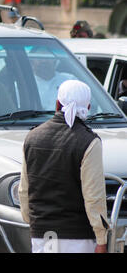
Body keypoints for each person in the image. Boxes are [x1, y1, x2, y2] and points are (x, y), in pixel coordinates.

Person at [19, 80, 108, 253]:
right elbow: (94, 197)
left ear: (58, 104)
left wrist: (33, 222)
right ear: (88, 107)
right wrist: (102, 239)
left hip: (42, 236)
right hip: (78, 238)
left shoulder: (32, 137)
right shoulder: (89, 142)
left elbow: (24, 191)